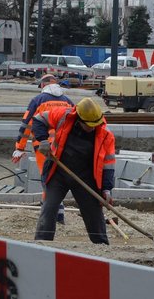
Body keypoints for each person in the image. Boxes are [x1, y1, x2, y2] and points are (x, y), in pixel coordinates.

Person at [31, 97, 116, 244]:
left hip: (86, 176)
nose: (92, 128)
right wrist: (43, 140)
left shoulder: (105, 134)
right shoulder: (64, 116)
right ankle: (42, 243)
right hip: (58, 171)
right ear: (79, 118)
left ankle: (101, 245)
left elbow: (108, 164)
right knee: (49, 208)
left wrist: (107, 189)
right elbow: (38, 120)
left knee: (93, 212)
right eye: (88, 125)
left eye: (94, 124)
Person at [12, 74, 73, 224]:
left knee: (48, 179)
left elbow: (27, 125)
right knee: (57, 178)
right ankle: (54, 213)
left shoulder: (38, 101)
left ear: (42, 85)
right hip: (64, 146)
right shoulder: (68, 101)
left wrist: (20, 147)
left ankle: (52, 216)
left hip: (43, 146)